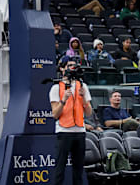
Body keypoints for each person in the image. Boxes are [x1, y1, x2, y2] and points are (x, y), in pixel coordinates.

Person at [49, 56, 93, 185]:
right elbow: (55, 115)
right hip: (64, 131)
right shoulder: (56, 88)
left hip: (80, 131)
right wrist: (63, 100)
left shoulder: (82, 86)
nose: (72, 68)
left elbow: (89, 113)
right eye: (69, 66)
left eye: (75, 66)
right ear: (62, 68)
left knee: (78, 170)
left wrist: (84, 97)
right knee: (59, 169)